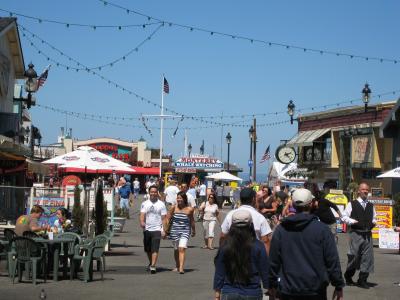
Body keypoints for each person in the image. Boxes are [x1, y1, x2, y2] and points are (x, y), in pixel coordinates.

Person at [269, 188, 345, 300]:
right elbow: (332, 260)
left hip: (288, 289)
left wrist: (272, 284)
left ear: (293, 205)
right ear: (311, 204)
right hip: (315, 290)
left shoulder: (281, 229)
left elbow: (273, 260)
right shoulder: (322, 230)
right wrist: (338, 284)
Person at [214, 210, 270, 300]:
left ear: (232, 226)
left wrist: (217, 293)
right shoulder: (258, 245)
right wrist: (270, 290)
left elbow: (220, 271)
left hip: (229, 291)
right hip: (252, 292)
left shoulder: (225, 246)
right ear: (250, 225)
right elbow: (265, 270)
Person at [342, 182, 376, 289]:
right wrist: (353, 222)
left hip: (367, 234)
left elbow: (374, 217)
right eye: (363, 189)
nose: (365, 191)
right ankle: (348, 276)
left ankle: (362, 280)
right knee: (354, 256)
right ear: (358, 191)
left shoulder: (371, 205)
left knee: (368, 257)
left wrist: (374, 222)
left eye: (367, 190)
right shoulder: (352, 204)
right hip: (356, 234)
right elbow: (344, 217)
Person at [220, 188, 272, 254]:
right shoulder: (260, 217)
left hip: (233, 254)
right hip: (253, 255)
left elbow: (223, 236)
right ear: (253, 199)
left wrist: (222, 253)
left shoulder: (231, 214)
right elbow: (265, 241)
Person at [140, 185, 167, 274]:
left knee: (155, 248)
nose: (153, 193)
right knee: (148, 249)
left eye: (155, 192)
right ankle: (151, 262)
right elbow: (142, 214)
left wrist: (163, 230)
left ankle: (153, 266)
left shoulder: (161, 204)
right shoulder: (145, 203)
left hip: (157, 229)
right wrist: (142, 222)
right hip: (147, 229)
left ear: (157, 193)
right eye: (152, 192)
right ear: (149, 192)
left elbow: (164, 218)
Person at [166, 191, 195, 274]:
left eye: (180, 198)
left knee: (182, 248)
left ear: (184, 199)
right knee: (176, 249)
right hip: (174, 231)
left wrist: (194, 230)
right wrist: (166, 229)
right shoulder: (173, 208)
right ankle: (177, 265)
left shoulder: (189, 209)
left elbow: (192, 221)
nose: (179, 199)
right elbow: (168, 218)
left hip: (185, 231)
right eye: (178, 198)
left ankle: (181, 268)